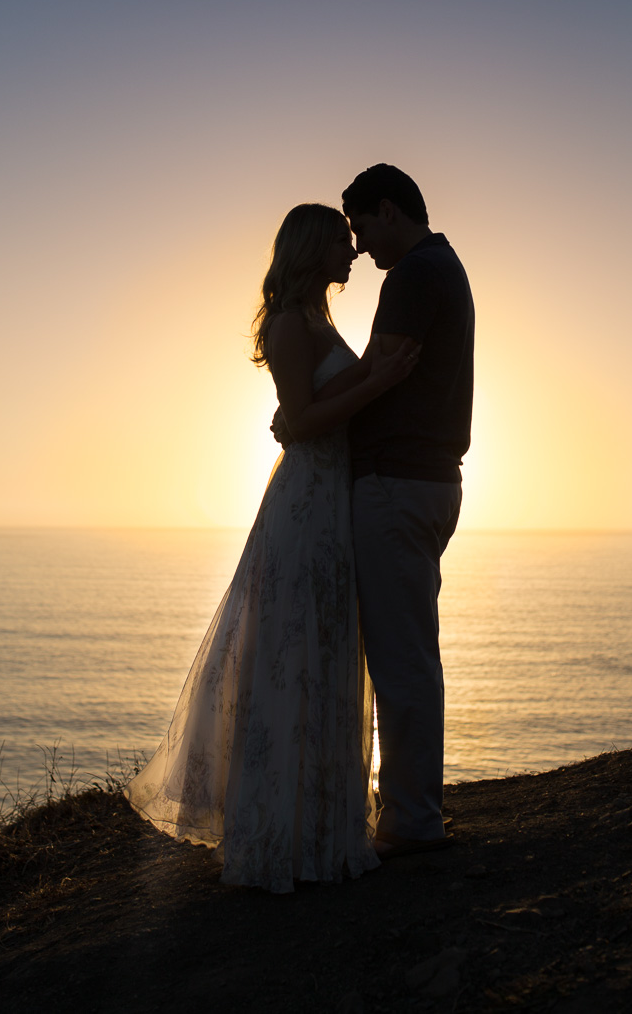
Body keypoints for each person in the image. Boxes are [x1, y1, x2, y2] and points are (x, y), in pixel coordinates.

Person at [125, 203, 418, 893]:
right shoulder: (290, 323)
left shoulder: (318, 319)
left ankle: (318, 824)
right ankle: (280, 836)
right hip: (307, 502)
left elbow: (310, 406)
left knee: (323, 651)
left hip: (333, 498)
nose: (353, 253)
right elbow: (306, 420)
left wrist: (373, 371)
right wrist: (379, 380)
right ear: (312, 249)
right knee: (294, 651)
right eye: (341, 244)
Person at [341, 165, 474, 857]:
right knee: (409, 654)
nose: (358, 247)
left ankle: (413, 821)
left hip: (398, 483)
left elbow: (383, 366)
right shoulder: (439, 267)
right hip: (424, 481)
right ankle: (410, 809)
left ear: (388, 211)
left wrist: (309, 411)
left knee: (402, 662)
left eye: (361, 227)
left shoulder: (417, 273)